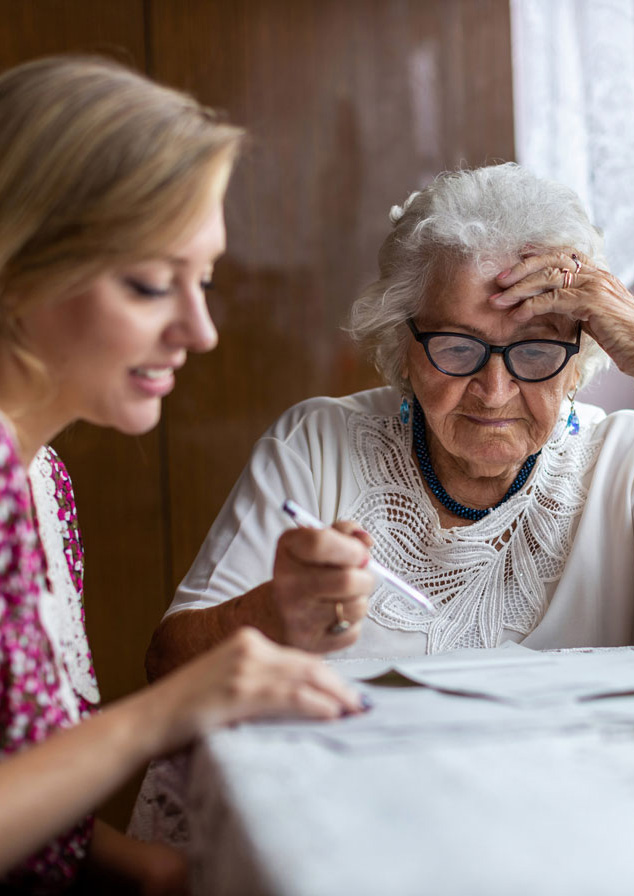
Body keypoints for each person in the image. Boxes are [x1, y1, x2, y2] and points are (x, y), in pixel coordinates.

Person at [0, 55, 374, 894]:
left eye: (203, 280)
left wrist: (163, 872)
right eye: (149, 284)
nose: (201, 331)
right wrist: (169, 711)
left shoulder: (39, 479)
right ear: (15, 265)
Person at [146, 161, 634, 675]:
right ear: (404, 348)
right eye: (456, 346)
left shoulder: (619, 464)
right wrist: (269, 614)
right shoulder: (317, 446)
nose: (494, 393)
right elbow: (168, 663)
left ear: (576, 366)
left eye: (534, 351)